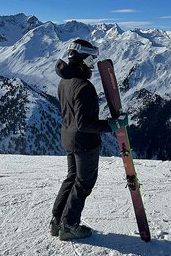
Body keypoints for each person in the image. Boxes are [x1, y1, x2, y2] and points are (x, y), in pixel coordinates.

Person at [50, 38, 128, 240]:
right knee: (83, 183)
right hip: (84, 143)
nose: (93, 63)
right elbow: (85, 123)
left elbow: (73, 117)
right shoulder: (84, 87)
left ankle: (57, 221)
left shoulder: (64, 81)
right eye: (91, 59)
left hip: (68, 137)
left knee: (71, 178)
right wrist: (113, 125)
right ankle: (69, 225)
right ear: (82, 59)